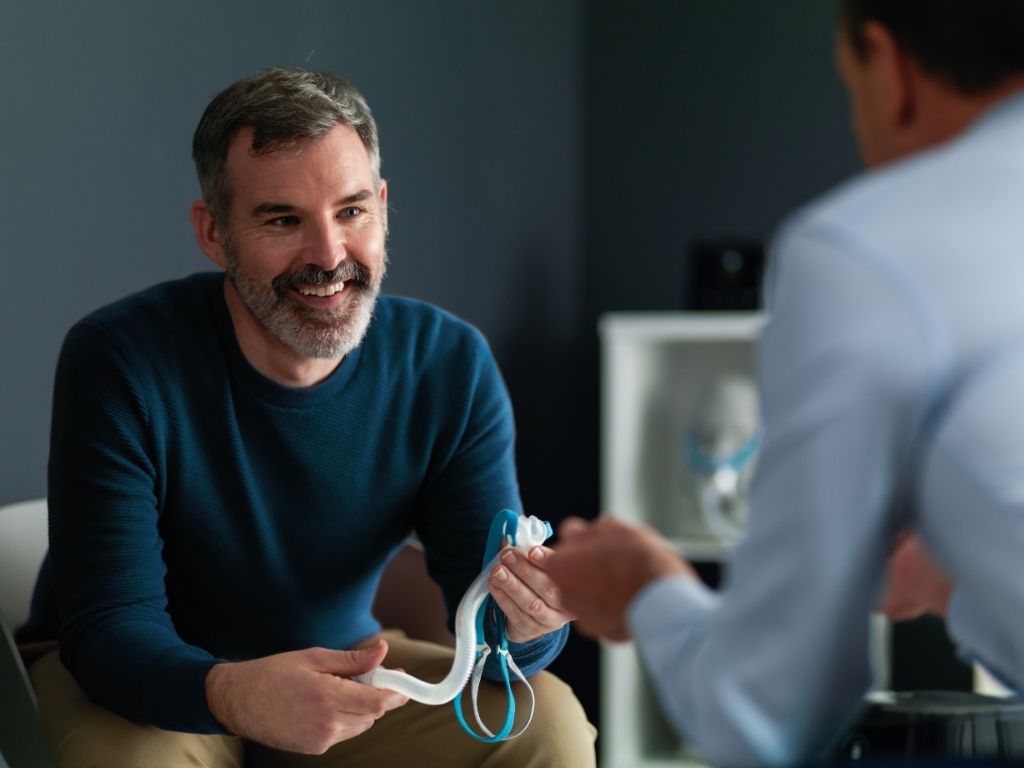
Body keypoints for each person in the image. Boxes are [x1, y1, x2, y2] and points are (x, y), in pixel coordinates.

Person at [18, 67, 595, 767]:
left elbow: (496, 626)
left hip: (340, 666)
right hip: (140, 684)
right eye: (283, 220)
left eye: (351, 211)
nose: (328, 257)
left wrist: (531, 622)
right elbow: (109, 629)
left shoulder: (448, 365)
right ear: (213, 231)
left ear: (382, 208)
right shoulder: (120, 360)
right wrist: (232, 693)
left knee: (551, 729)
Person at [547, 1, 1024, 764]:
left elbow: (766, 722)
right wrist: (943, 583)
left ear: (888, 64)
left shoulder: (863, 248)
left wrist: (645, 588)